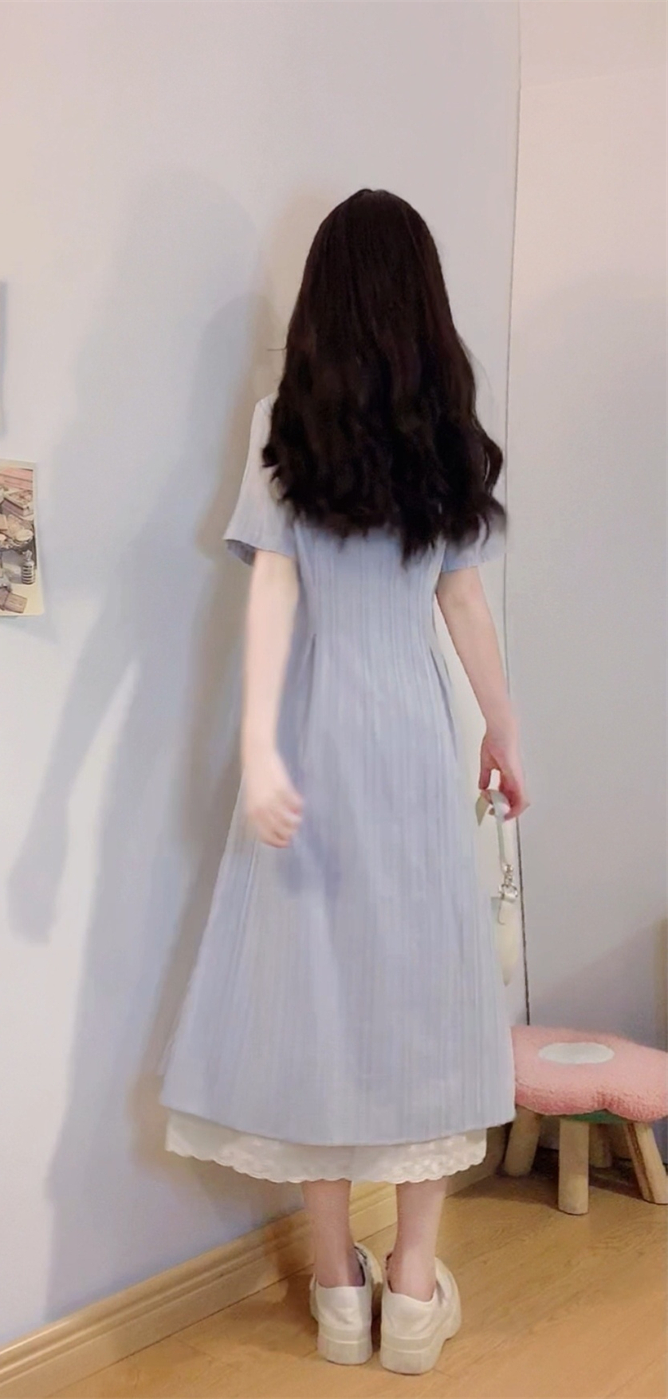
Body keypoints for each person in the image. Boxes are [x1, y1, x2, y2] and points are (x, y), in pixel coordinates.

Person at [158, 189, 529, 1375]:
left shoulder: (285, 418)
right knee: (422, 992)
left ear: (320, 297)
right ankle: (411, 1293)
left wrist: (259, 746)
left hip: (313, 735)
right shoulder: (445, 424)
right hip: (411, 733)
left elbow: (271, 585)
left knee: (310, 996)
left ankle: (334, 1288)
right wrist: (502, 730)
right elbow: (461, 599)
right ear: (422, 297)